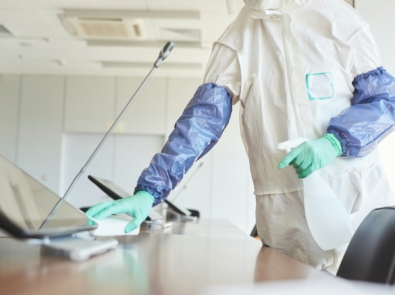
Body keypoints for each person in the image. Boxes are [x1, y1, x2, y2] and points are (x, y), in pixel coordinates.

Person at [87, 0, 395, 272]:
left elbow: (384, 101)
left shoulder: (338, 19)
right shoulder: (237, 40)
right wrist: (150, 192)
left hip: (356, 198)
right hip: (285, 215)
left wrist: (334, 142)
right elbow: (201, 123)